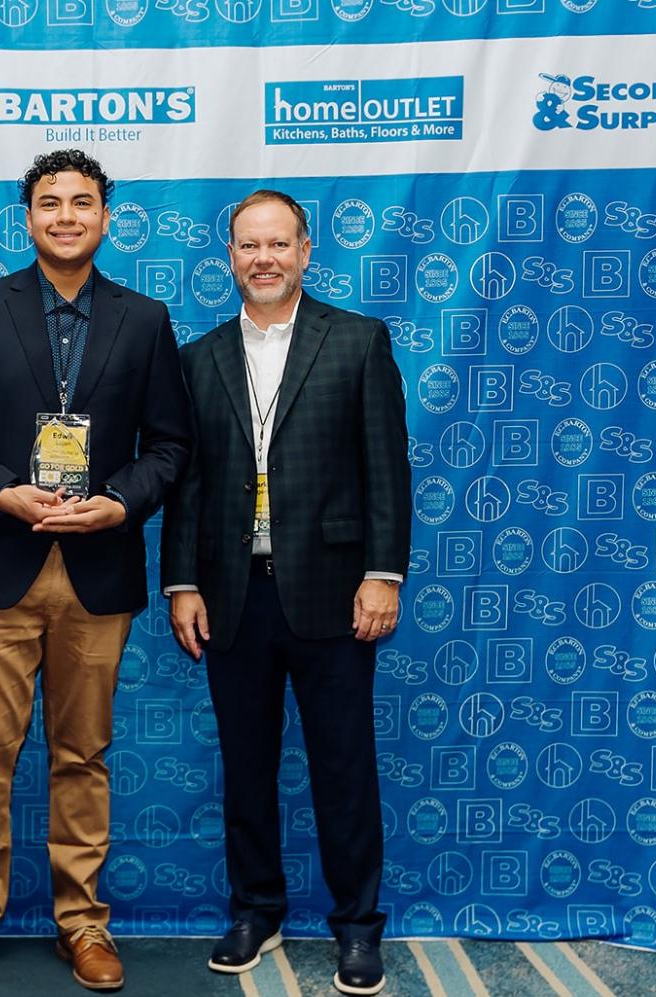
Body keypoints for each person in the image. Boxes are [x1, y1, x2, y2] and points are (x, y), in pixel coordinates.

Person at [0, 149, 192, 991]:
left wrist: (119, 502)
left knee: (83, 756)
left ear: (107, 216)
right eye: (49, 203)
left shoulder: (145, 319)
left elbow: (171, 445)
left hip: (97, 569)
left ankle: (84, 922)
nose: (65, 216)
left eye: (81, 202)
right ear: (26, 217)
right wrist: (1, 491)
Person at [161, 190, 410, 996]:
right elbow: (188, 483)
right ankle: (255, 909)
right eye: (248, 245)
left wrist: (382, 574)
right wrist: (183, 582)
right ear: (229, 257)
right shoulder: (198, 358)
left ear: (306, 251)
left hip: (335, 595)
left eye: (278, 244)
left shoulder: (358, 340)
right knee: (245, 767)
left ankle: (357, 926)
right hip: (234, 595)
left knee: (345, 766)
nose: (262, 258)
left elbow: (387, 467)